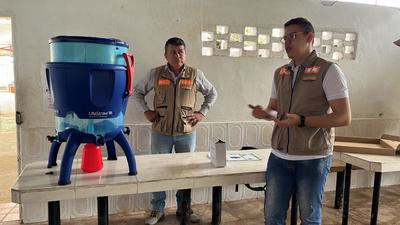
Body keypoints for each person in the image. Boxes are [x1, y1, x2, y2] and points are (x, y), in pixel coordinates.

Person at [249, 17, 351, 225]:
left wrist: (302, 120)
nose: (287, 42)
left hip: (313, 158)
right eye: (284, 38)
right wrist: (264, 112)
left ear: (310, 37)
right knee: (272, 217)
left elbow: (343, 117)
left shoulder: (329, 70)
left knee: (310, 218)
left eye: (293, 36)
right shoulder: (281, 72)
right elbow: (274, 106)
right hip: (279, 157)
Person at [133, 37, 217, 225]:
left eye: (181, 51)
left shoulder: (195, 74)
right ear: (165, 54)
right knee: (157, 171)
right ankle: (157, 210)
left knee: (185, 173)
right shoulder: (155, 74)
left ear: (185, 54)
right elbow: (137, 92)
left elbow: (212, 93)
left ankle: (184, 208)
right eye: (173, 51)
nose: (177, 55)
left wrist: (201, 113)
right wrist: (146, 111)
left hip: (186, 133)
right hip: (160, 132)